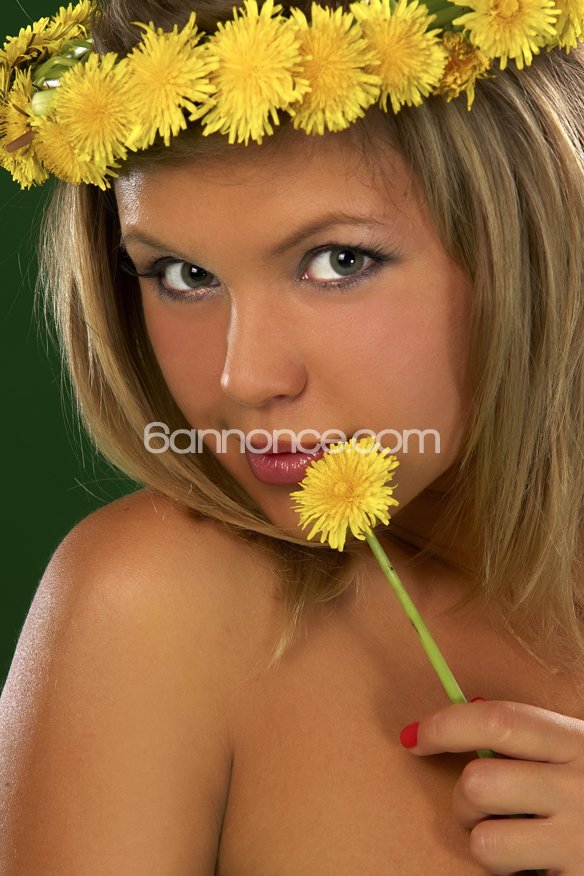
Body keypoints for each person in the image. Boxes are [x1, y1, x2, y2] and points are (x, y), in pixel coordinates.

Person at [0, 0, 583, 872]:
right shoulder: (153, 608)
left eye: (339, 262)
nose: (244, 378)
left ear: (538, 236)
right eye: (183, 274)